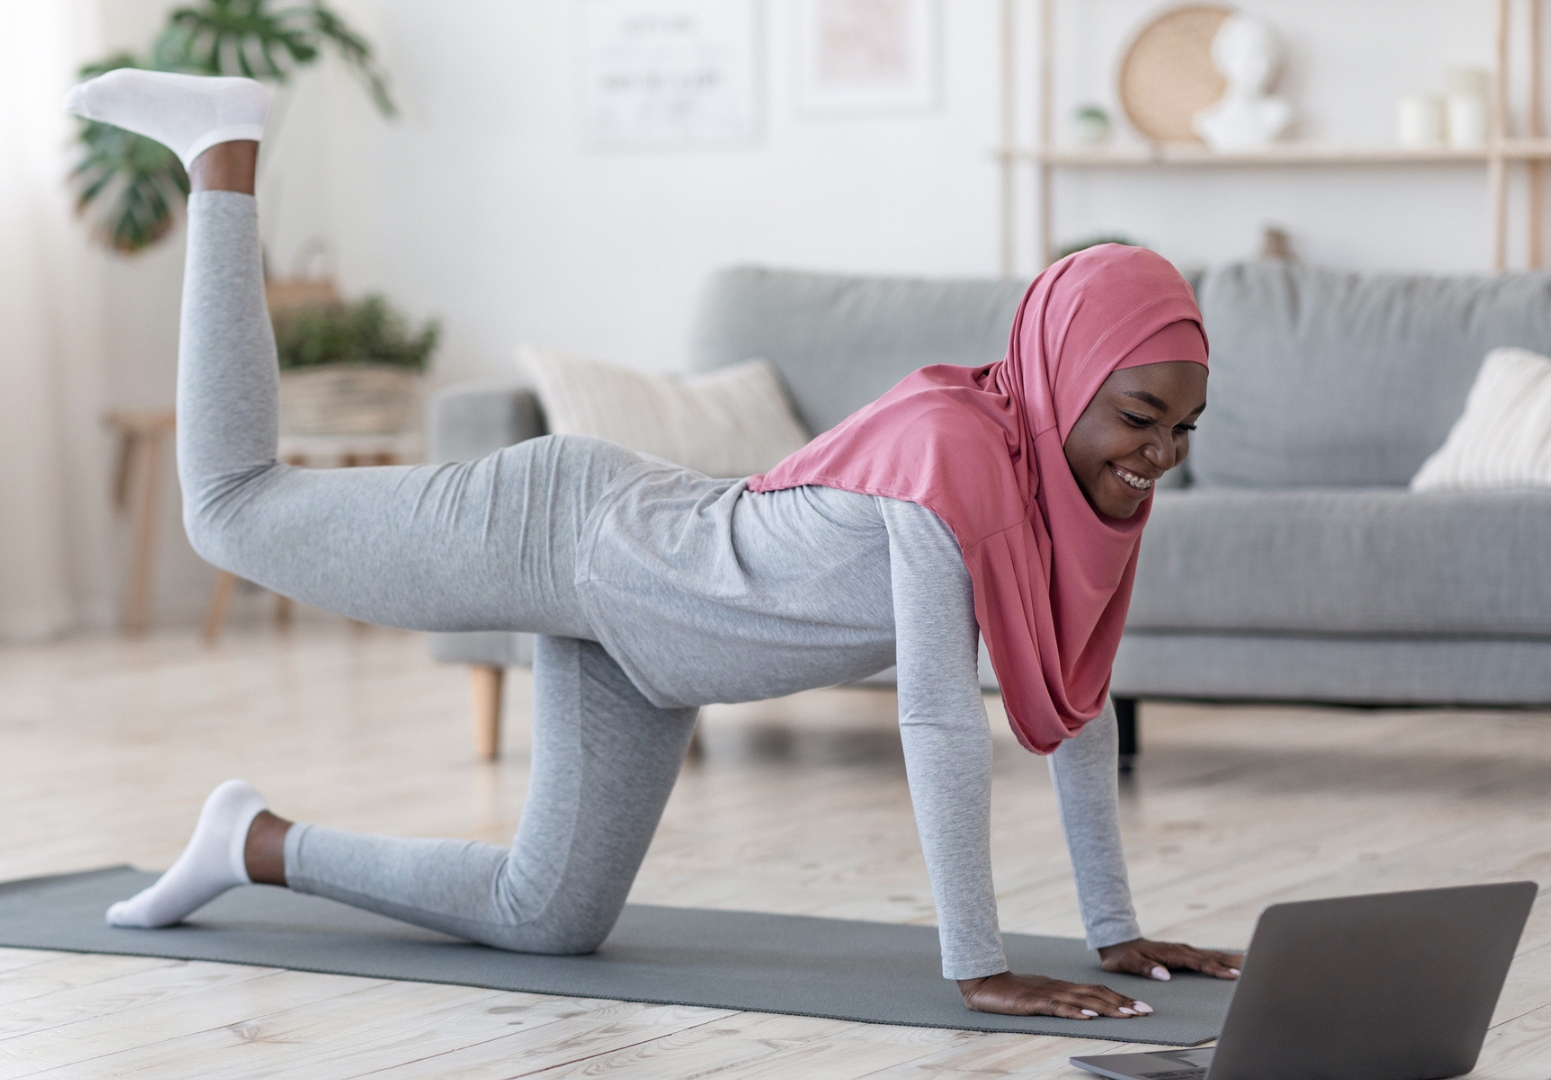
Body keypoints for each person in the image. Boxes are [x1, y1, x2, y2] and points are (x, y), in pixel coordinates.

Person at [64, 69, 1241, 1021]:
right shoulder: (952, 453)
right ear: (1063, 374)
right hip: (568, 535)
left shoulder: (1077, 502)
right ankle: (223, 152)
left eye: (1184, 428)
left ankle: (251, 844)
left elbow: (1079, 705)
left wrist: (1115, 930)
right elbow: (937, 716)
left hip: (650, 650)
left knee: (546, 919)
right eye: (1139, 417)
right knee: (230, 511)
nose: (1160, 453)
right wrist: (978, 967)